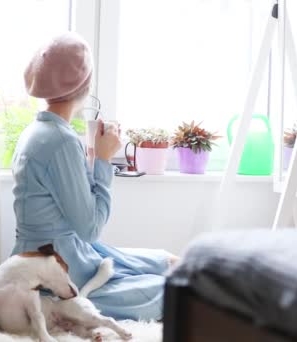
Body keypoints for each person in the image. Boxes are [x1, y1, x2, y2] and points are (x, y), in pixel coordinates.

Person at [10, 32, 177, 321]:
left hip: (54, 255)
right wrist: (102, 160)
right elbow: (89, 228)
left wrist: (92, 159)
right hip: (58, 272)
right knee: (176, 291)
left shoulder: (36, 132)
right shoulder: (60, 141)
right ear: (85, 85)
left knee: (168, 261)